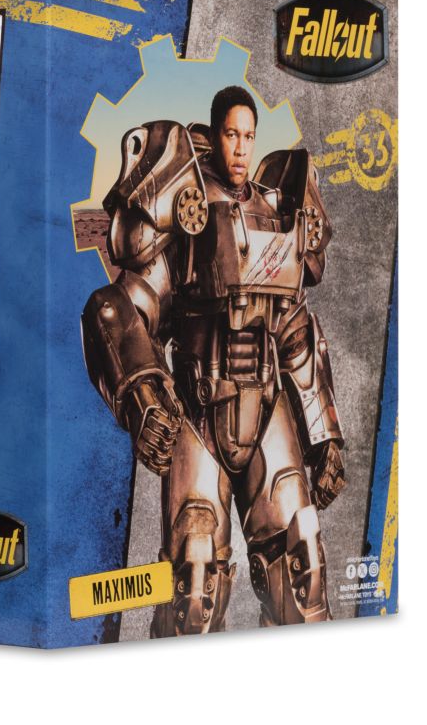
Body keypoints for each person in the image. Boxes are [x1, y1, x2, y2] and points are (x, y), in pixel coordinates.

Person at [81, 85, 345, 635]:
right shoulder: (186, 213)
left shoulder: (276, 210)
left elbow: (295, 329)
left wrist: (324, 437)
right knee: (194, 586)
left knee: (303, 567)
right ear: (215, 133)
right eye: (231, 134)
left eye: (249, 136)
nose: (241, 148)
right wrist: (144, 397)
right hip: (197, 409)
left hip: (268, 408)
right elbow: (120, 308)